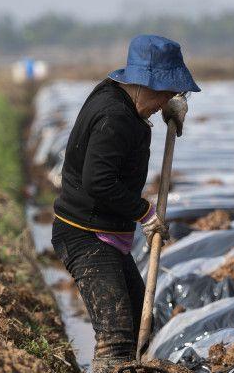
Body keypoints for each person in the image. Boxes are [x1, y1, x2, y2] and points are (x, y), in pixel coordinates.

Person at [50, 35, 200, 373]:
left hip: (105, 232)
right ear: (141, 83)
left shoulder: (118, 96)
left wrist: (168, 113)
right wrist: (146, 213)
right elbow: (99, 182)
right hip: (84, 234)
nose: (165, 101)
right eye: (164, 94)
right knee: (117, 336)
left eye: (172, 95)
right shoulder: (114, 118)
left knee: (137, 326)